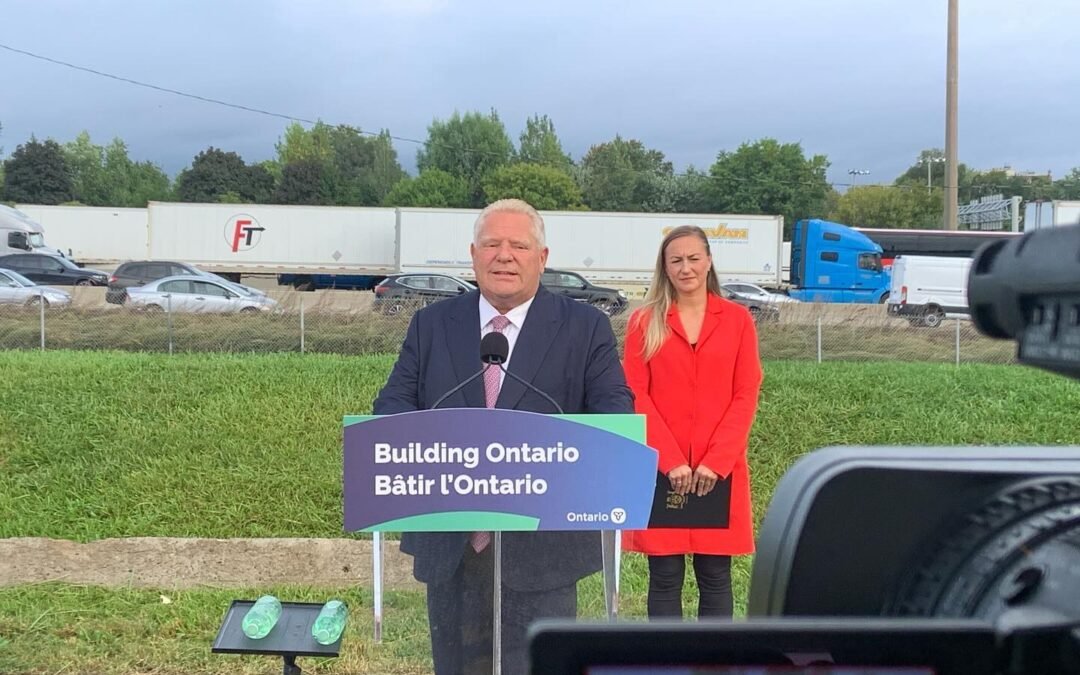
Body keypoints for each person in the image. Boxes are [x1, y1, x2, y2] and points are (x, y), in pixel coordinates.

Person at [372, 198, 633, 674]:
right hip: (451, 542)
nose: (504, 255)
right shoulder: (432, 324)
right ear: (473, 255)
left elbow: (615, 412)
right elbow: (393, 405)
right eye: (492, 244)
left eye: (518, 245)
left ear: (542, 257)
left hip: (543, 549)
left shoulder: (584, 327)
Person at [621, 224, 763, 619]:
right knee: (664, 575)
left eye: (693, 258)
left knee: (715, 574)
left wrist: (715, 462)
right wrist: (669, 460)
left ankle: (714, 662)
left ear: (709, 261)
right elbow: (636, 394)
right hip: (662, 468)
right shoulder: (644, 322)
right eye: (676, 260)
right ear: (665, 268)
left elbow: (745, 392)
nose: (686, 268)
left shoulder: (737, 321)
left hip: (719, 469)